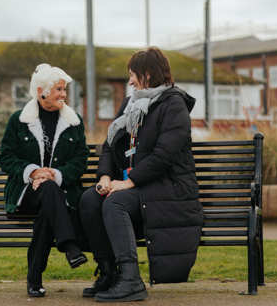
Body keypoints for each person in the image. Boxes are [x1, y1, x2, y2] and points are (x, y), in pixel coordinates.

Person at [79, 47, 204, 302]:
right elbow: (110, 145)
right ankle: (108, 273)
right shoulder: (131, 104)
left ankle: (131, 280)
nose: (130, 81)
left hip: (168, 188)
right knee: (90, 199)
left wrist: (129, 182)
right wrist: (104, 177)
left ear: (148, 74)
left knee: (115, 203)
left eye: (133, 74)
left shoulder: (173, 104)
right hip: (139, 186)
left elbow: (164, 155)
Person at [0, 63, 89, 298]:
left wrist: (54, 175)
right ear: (41, 90)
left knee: (47, 209)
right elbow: (6, 159)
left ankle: (34, 278)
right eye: (58, 89)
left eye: (64, 89)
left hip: (58, 194)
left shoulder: (74, 122)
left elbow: (80, 161)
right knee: (49, 193)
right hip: (26, 193)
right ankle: (70, 247)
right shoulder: (19, 120)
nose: (63, 94)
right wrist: (32, 173)